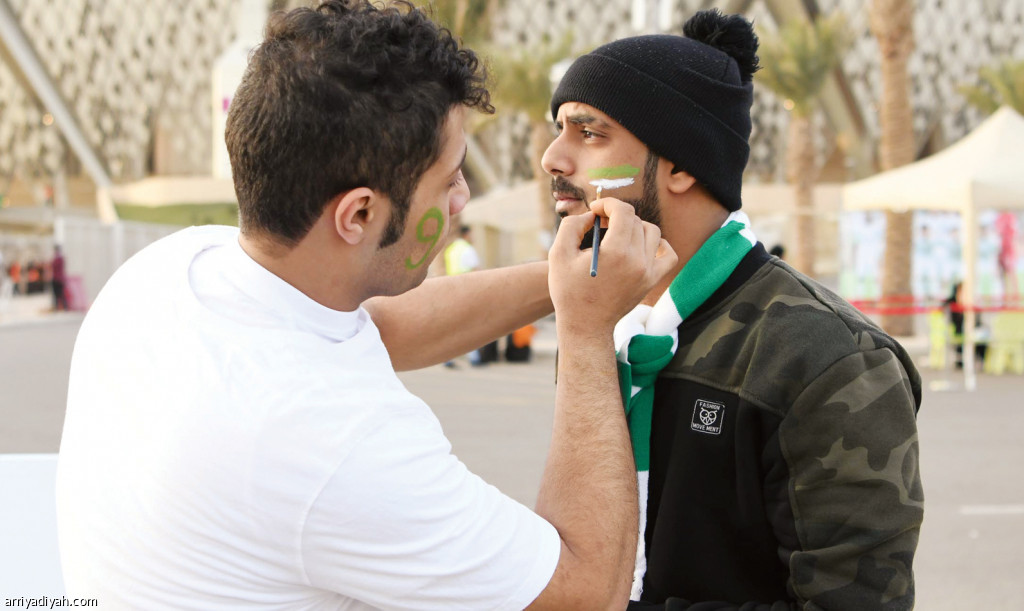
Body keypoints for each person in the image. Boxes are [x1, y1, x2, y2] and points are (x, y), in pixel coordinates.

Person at [56, 1, 676, 609]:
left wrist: (567, 282)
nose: (462, 198)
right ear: (357, 214)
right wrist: (587, 328)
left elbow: (384, 327)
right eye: (450, 179)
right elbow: (586, 593)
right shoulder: (331, 444)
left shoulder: (175, 270)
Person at [542, 9, 923, 609]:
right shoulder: (600, 325)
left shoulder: (827, 358)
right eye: (559, 129)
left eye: (589, 133)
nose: (553, 158)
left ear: (682, 165)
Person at [442, 225, 486, 366]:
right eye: (472, 234)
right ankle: (474, 358)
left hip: (451, 290)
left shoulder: (451, 249)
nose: (473, 237)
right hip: (467, 290)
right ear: (466, 234)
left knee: (454, 326)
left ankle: (447, 358)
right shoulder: (468, 249)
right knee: (469, 325)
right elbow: (476, 270)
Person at [51, 244, 67, 311]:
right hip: (59, 278)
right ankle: (61, 306)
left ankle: (60, 306)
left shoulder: (58, 259)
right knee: (59, 293)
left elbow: (54, 266)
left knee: (59, 293)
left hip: (57, 278)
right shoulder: (60, 258)